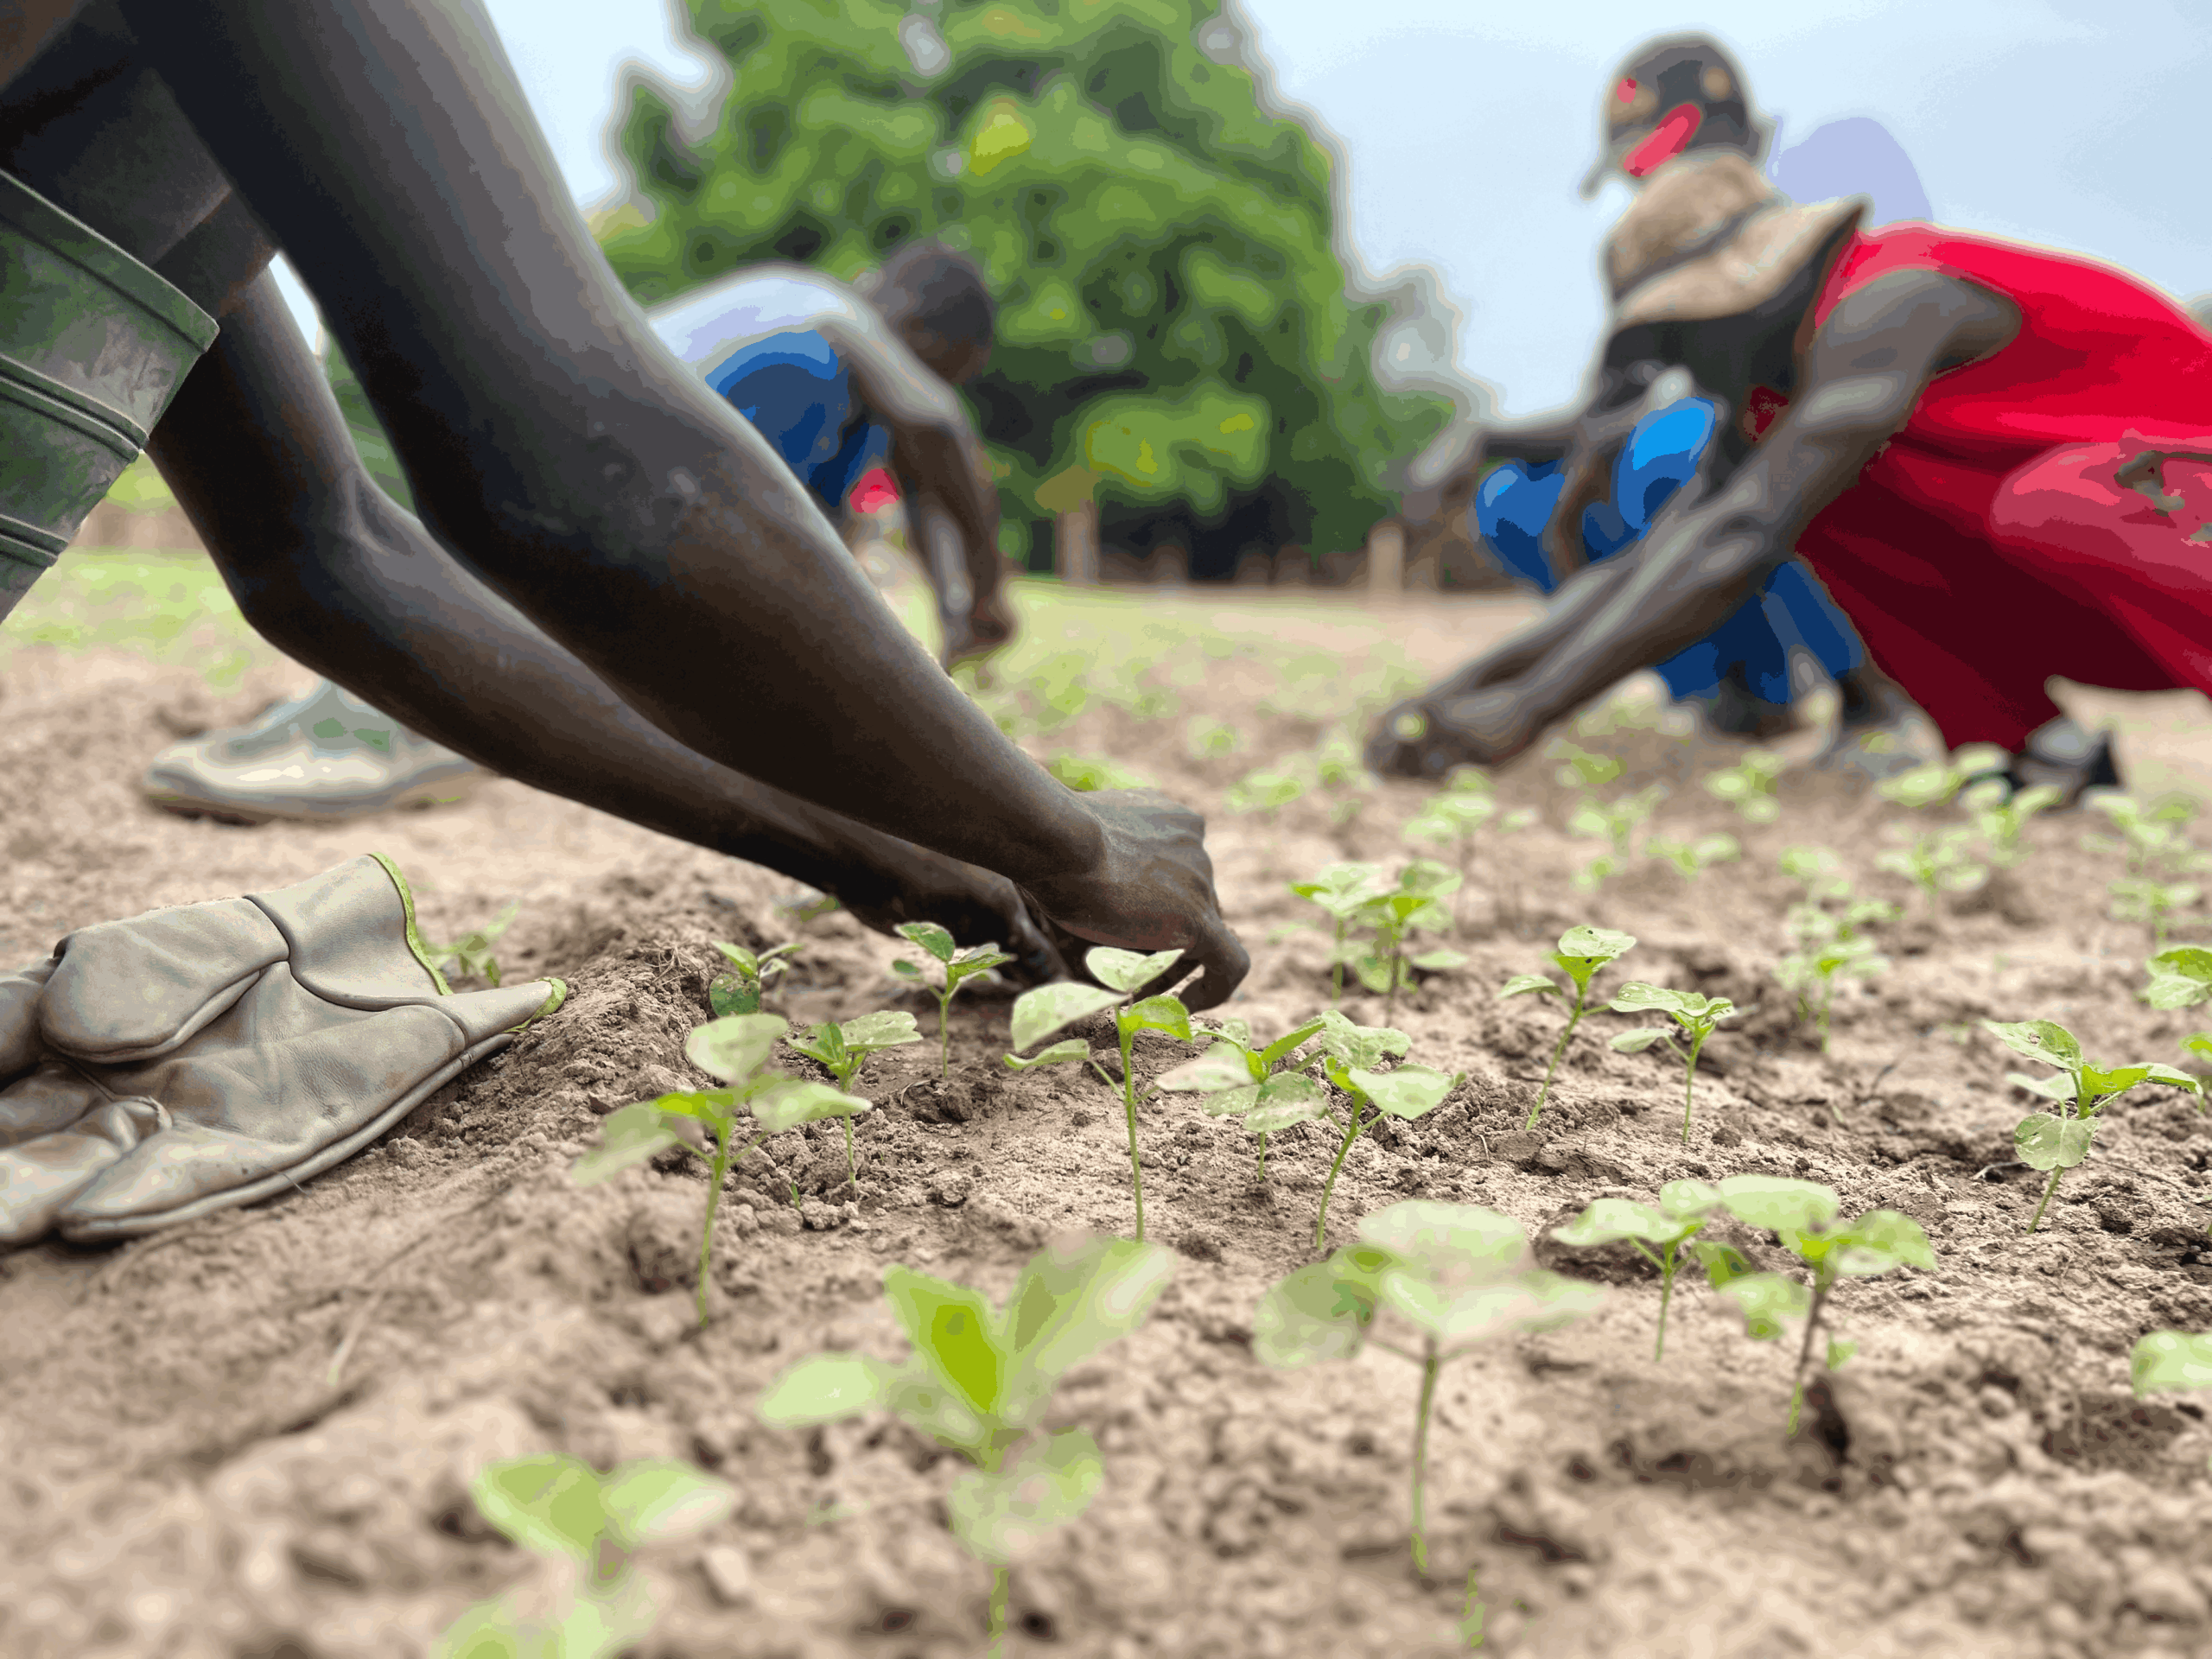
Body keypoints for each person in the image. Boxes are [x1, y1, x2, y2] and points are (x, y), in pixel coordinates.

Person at [0, 0, 1247, 1243]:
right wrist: (1073, 842)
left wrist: (889, 846)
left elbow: (330, 552)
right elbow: (599, 491)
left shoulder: (186, 87)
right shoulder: (828, 339)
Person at [1368, 140, 2212, 802]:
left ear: (1741, 298)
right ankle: (2030, 749)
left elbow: (1741, 539)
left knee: (2045, 502)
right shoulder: (1775, 400)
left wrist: (1527, 713)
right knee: (1829, 516)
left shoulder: (1893, 298)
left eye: (1679, 335)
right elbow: (1665, 556)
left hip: (2170, 523)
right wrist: (1460, 696)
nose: (1680, 364)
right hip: (2102, 590)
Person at [140, 240, 1015, 823]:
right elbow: (936, 430)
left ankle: (484, 681)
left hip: (578, 482)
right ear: (922, 336)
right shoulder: (821, 321)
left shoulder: (846, 397)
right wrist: (989, 589)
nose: (941, 389)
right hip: (559, 476)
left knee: (816, 556)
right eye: (951, 372)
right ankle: (412, 713)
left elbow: (911, 476)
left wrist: (944, 620)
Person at [1430, 34, 1916, 752]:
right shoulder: (1642, 240)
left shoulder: (1768, 238)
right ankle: (1735, 691)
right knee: (1517, 498)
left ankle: (1869, 695)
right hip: (1683, 509)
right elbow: (1605, 414)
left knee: (1680, 452)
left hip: (1791, 488)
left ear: (1670, 135)